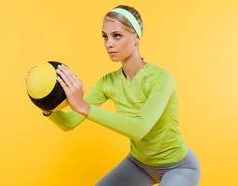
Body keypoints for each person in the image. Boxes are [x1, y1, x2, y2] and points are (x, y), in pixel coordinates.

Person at [30, 5, 201, 186]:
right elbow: (69, 122)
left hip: (178, 167)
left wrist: (85, 107)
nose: (108, 43)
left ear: (136, 36)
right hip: (139, 164)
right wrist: (46, 104)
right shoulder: (108, 83)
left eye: (116, 36)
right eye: (105, 36)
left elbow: (139, 129)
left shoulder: (160, 78)